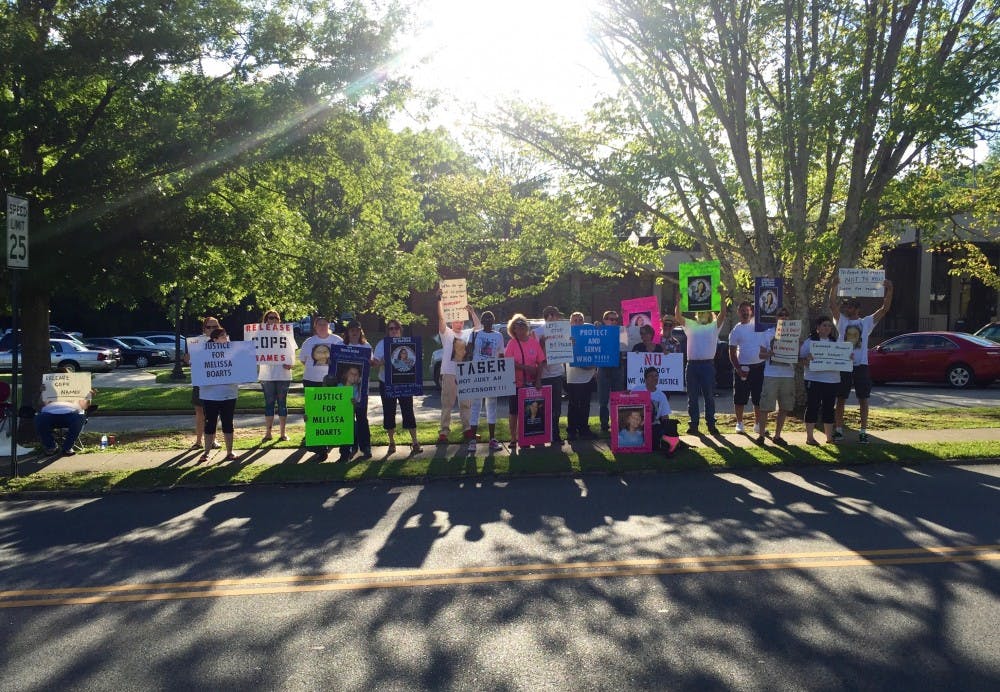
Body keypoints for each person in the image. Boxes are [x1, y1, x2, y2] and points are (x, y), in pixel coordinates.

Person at [829, 275, 894, 443]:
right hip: (843, 365)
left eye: (850, 306)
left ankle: (863, 431)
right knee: (841, 398)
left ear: (857, 309)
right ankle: (838, 430)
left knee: (863, 399)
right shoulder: (841, 321)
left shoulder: (866, 323)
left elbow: (884, 309)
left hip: (861, 366)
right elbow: (832, 305)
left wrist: (890, 290)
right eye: (846, 306)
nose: (846, 309)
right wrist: (834, 287)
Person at [675, 288, 728, 436]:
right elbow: (678, 317)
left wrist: (722, 297)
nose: (703, 314)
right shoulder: (691, 324)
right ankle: (694, 425)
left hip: (707, 366)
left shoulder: (714, 326)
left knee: (709, 396)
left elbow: (723, 314)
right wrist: (678, 302)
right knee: (692, 397)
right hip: (692, 365)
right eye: (701, 312)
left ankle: (711, 425)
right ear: (697, 314)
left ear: (710, 313)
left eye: (706, 311)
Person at [372, 319, 421, 456]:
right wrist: (384, 360)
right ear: (387, 330)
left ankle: (415, 442)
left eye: (396, 328)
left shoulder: (408, 343)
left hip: (404, 384)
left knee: (408, 411)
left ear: (400, 330)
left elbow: (413, 363)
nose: (394, 331)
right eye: (391, 328)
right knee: (389, 412)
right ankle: (391, 442)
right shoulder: (382, 344)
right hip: (386, 383)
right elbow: (375, 364)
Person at [299, 316, 344, 461]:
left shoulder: (337, 340)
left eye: (325, 324)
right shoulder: (309, 342)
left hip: (332, 382)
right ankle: (320, 449)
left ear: (328, 325)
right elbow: (303, 360)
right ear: (315, 327)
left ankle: (330, 440)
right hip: (312, 381)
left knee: (330, 413)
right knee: (314, 415)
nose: (322, 327)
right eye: (319, 325)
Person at [437, 291, 480, 443]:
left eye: (461, 320)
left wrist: (472, 311)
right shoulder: (446, 333)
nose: (459, 323)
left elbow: (478, 327)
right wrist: (439, 301)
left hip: (465, 374)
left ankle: (467, 429)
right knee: (447, 403)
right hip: (449, 373)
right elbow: (441, 319)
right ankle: (444, 431)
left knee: (466, 403)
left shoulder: (468, 333)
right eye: (456, 320)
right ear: (451, 322)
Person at [466, 308, 505, 453]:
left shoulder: (499, 336)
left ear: (493, 321)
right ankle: (472, 441)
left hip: (492, 375)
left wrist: (503, 376)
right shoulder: (475, 335)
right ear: (482, 322)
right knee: (476, 407)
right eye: (485, 318)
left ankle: (492, 439)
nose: (488, 320)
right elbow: (467, 353)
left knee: (492, 406)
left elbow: (501, 356)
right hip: (477, 375)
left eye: (490, 318)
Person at [504, 313, 545, 452]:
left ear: (526, 327)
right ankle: (513, 438)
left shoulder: (534, 342)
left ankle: (528, 437)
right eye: (516, 327)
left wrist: (538, 380)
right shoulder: (511, 344)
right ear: (513, 329)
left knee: (529, 412)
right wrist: (524, 368)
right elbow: (508, 363)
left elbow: (541, 362)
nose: (519, 330)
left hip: (532, 384)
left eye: (522, 326)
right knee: (514, 411)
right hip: (516, 384)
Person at [199, 327, 240, 462]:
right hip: (210, 395)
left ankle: (230, 452)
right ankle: (206, 453)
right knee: (210, 423)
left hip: (229, 394)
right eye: (223, 335)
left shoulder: (233, 352)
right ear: (215, 339)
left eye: (226, 334)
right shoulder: (203, 353)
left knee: (228, 423)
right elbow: (197, 367)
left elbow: (242, 366)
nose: (226, 337)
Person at [800, 316, 841, 445]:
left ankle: (829, 438)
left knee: (829, 408)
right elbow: (800, 360)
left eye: (829, 325)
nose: (827, 328)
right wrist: (807, 359)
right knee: (812, 407)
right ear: (817, 328)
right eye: (824, 325)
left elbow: (842, 360)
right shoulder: (809, 342)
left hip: (832, 381)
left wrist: (847, 358)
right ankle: (810, 438)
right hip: (813, 379)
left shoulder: (836, 343)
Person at [757, 307, 794, 445]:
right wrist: (770, 354)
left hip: (788, 375)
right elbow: (760, 355)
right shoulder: (767, 334)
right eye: (780, 315)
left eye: (786, 315)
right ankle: (761, 435)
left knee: (784, 407)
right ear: (776, 318)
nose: (783, 317)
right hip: (771, 374)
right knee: (765, 406)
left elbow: (799, 353)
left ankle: (777, 436)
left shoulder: (794, 334)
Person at [728, 300, 765, 435]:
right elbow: (732, 353)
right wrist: (738, 369)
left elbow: (765, 307)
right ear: (738, 313)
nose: (745, 312)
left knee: (758, 398)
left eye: (747, 310)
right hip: (743, 369)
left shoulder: (759, 323)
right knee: (739, 398)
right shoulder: (736, 330)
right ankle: (739, 423)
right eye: (742, 310)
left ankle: (758, 424)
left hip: (759, 367)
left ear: (751, 311)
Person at [184, 316, 221, 449]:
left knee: (214, 413)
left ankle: (213, 440)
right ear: (204, 328)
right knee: (200, 412)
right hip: (200, 382)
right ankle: (199, 441)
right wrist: (187, 360)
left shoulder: (224, 340)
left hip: (217, 382)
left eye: (215, 327)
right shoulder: (195, 342)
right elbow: (190, 361)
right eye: (209, 327)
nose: (212, 329)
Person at [338, 319, 372, 461]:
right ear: (347, 331)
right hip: (344, 391)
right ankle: (345, 451)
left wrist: (373, 362)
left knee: (362, 419)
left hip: (361, 390)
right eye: (352, 329)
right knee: (346, 420)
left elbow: (370, 363)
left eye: (357, 329)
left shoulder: (366, 346)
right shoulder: (340, 345)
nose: (354, 332)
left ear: (360, 331)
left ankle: (365, 447)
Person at [258, 310, 292, 443]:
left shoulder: (285, 335)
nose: (273, 320)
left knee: (282, 404)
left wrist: (290, 363)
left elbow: (291, 353)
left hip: (283, 374)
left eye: (276, 318)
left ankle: (283, 433)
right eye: (270, 318)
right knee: (269, 404)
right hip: (267, 375)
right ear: (266, 320)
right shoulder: (259, 335)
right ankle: (268, 433)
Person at [631, 365, 683, 454]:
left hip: (653, 425)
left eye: (656, 376)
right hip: (636, 424)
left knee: (658, 433)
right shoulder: (637, 390)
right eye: (651, 376)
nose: (654, 378)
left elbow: (665, 417)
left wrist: (667, 429)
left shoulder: (661, 396)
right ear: (645, 379)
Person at [535, 305, 566, 445]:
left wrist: (569, 344)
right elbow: (535, 355)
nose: (559, 318)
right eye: (556, 315)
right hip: (544, 375)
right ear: (549, 316)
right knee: (543, 407)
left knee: (557, 406)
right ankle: (542, 434)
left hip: (557, 373)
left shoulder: (562, 330)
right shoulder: (537, 332)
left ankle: (555, 432)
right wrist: (542, 345)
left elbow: (566, 349)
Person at [35, 383, 93, 457]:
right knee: (39, 418)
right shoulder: (48, 388)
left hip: (72, 413)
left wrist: (88, 396)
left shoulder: (77, 388)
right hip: (49, 414)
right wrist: (42, 392)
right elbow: (40, 404)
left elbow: (85, 406)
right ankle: (51, 447)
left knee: (79, 418)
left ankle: (67, 448)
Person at [565, 311, 596, 440]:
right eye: (575, 320)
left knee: (585, 404)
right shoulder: (566, 336)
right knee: (573, 404)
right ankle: (572, 430)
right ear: (570, 322)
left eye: (580, 320)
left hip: (588, 376)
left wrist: (594, 368)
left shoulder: (590, 333)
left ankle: (583, 428)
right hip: (573, 377)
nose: (578, 322)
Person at [596, 309, 626, 435]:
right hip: (603, 368)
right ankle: (604, 424)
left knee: (617, 397)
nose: (614, 322)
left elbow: (625, 348)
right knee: (603, 400)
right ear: (604, 320)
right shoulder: (598, 331)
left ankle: (617, 423)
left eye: (615, 319)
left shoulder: (622, 331)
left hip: (618, 368)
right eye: (611, 319)